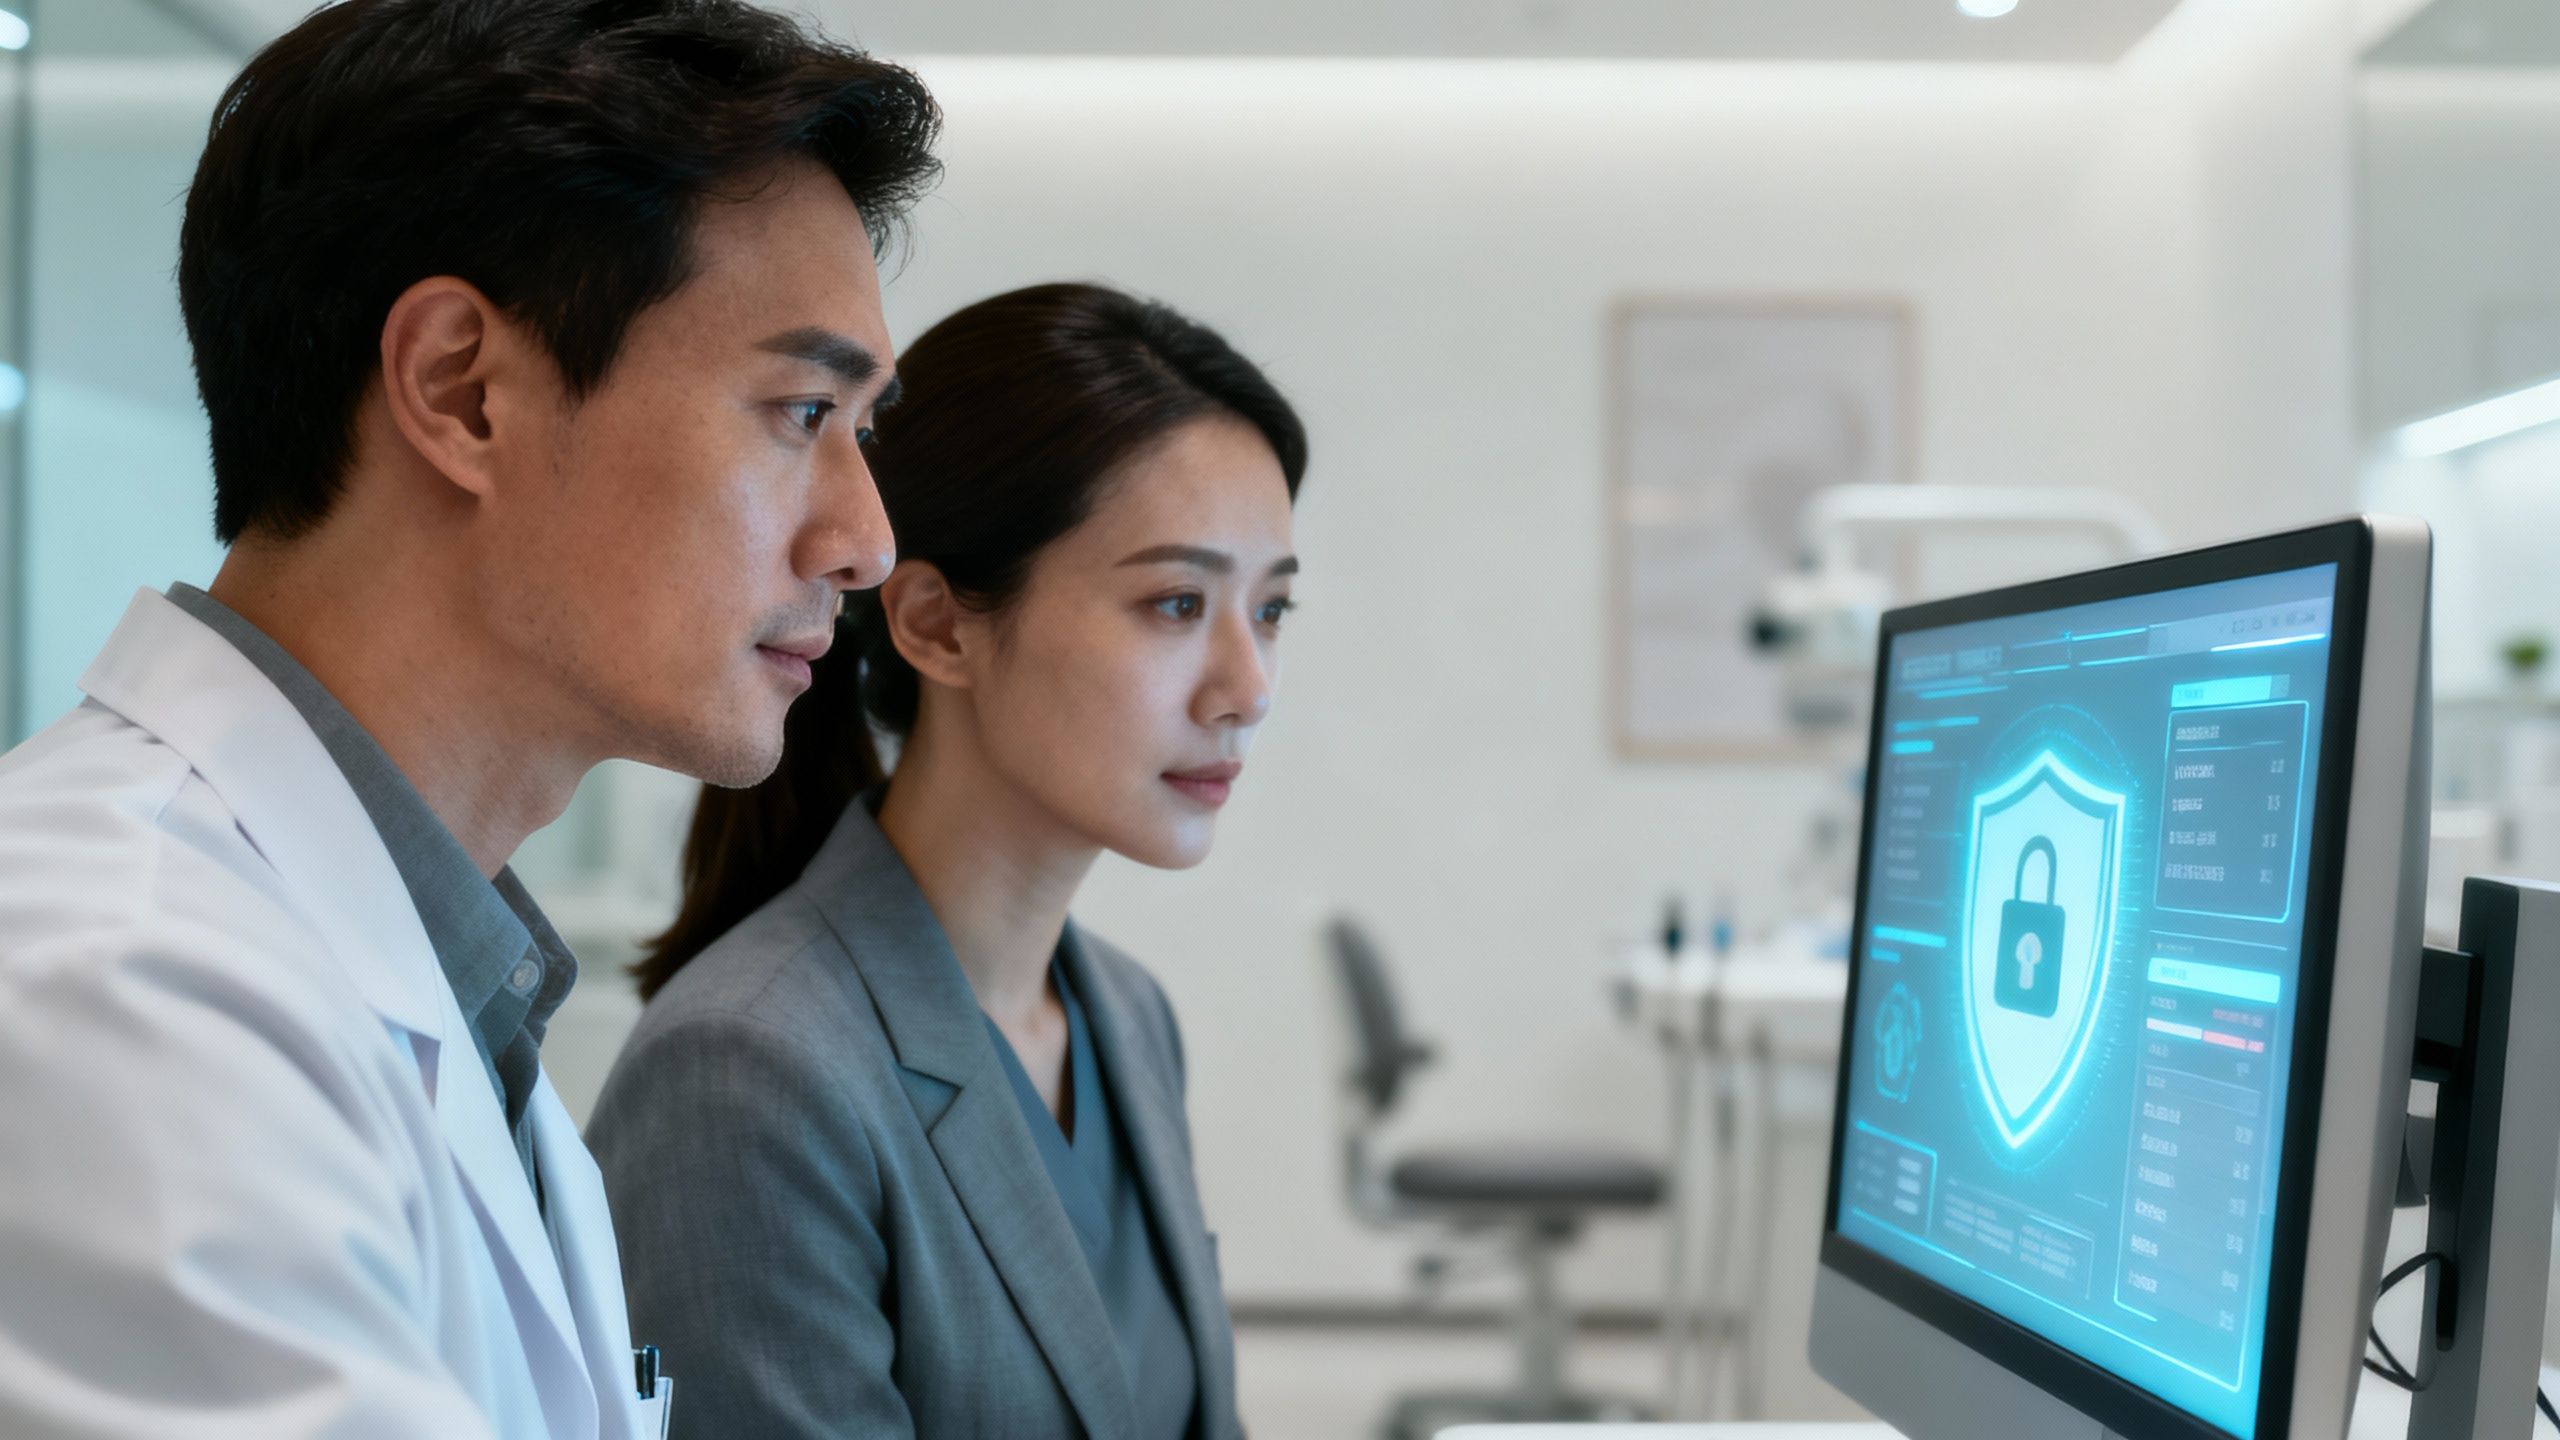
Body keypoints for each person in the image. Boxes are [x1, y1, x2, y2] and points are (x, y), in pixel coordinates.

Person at [0, 2, 938, 1436]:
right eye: (805, 411)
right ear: (462, 389)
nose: (866, 543)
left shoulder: (438, 979)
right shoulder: (112, 989)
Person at [585, 282, 1308, 1440]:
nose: (1246, 689)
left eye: (1268, 611)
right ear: (935, 625)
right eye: (1177, 602)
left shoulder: (1125, 1018)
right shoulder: (751, 1076)